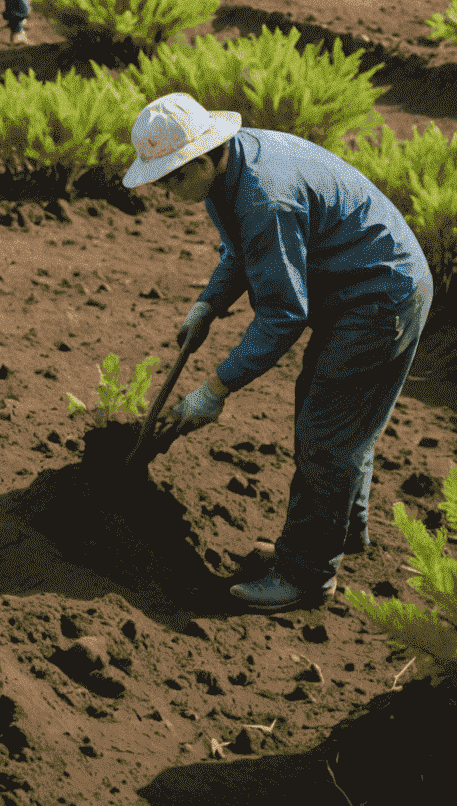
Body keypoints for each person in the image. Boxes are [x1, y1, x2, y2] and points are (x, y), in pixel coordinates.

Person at [125, 92, 431, 611]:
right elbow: (244, 251)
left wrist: (215, 389)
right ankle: (341, 533)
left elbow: (283, 314)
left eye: (172, 177)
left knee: (326, 433)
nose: (166, 190)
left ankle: (307, 575)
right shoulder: (232, 171)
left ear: (203, 158)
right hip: (352, 289)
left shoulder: (266, 194)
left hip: (380, 299)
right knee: (326, 411)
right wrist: (209, 302)